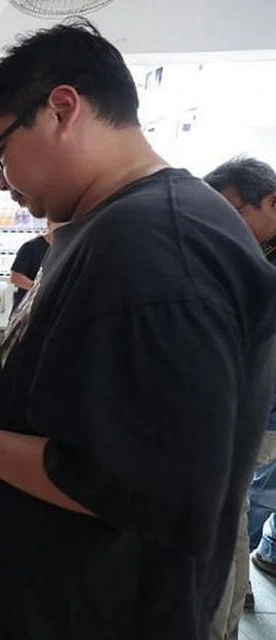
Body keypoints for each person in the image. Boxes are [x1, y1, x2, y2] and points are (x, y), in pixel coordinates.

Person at [0, 20, 276, 639]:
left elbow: (135, 485)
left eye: (1, 151)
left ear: (61, 109)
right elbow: (38, 352)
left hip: (85, 614)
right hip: (31, 601)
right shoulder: (108, 226)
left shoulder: (158, 246)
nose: (1, 180)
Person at [205, 156, 276, 625]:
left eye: (234, 212)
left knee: (228, 509)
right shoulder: (255, 255)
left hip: (261, 416)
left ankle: (222, 619)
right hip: (251, 411)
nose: (224, 225)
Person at [9, 222, 57, 314]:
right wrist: (39, 289)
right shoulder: (31, 247)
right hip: (26, 308)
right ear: (49, 224)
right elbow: (15, 277)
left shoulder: (65, 248)